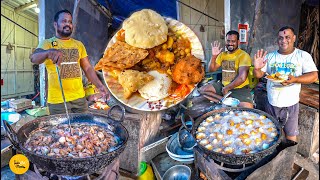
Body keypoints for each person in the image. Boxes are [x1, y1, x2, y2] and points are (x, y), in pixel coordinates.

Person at [30, 9, 109, 115]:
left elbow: (88, 68)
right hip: (58, 101)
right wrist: (48, 53)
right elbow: (34, 58)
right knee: (62, 130)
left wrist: (100, 86)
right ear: (55, 24)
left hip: (79, 99)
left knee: (83, 127)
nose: (68, 24)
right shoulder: (48, 43)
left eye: (70, 22)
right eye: (64, 21)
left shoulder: (79, 45)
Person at [253, 26, 318, 142]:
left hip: (291, 104)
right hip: (271, 102)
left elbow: (314, 76)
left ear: (294, 38)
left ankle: (289, 156)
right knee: (270, 132)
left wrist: (295, 79)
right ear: (277, 40)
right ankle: (273, 155)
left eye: (287, 37)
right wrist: (256, 68)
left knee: (291, 135)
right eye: (280, 38)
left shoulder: (302, 56)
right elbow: (258, 75)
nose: (283, 40)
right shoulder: (270, 57)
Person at [199, 30, 253, 108]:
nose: (230, 43)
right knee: (201, 90)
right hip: (223, 85)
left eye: (233, 41)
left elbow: (242, 78)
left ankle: (224, 101)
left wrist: (227, 88)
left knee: (248, 109)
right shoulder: (222, 55)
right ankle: (225, 101)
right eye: (228, 41)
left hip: (240, 89)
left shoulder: (243, 55)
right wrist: (214, 56)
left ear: (238, 42)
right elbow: (211, 70)